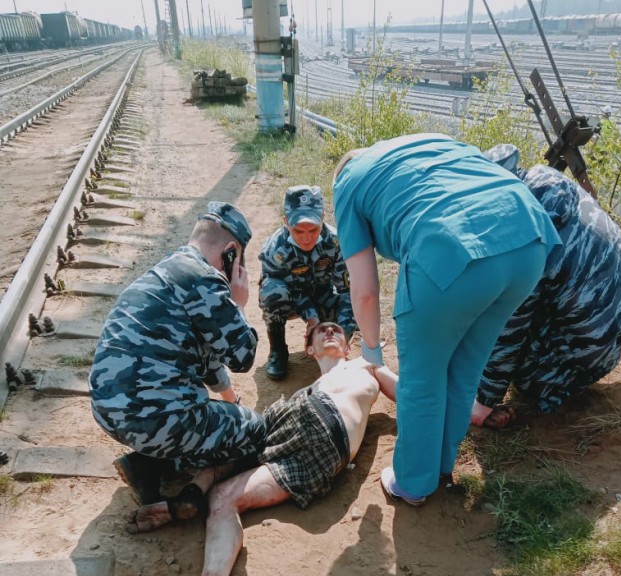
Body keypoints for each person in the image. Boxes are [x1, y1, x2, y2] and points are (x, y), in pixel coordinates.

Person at [129, 321, 398, 576]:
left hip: (327, 434)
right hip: (283, 415)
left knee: (235, 455)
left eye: (336, 330)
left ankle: (182, 494)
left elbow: (411, 397)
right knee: (225, 489)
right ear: (309, 350)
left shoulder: (365, 366)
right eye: (321, 331)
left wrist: (470, 409)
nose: (330, 331)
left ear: (346, 346)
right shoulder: (309, 385)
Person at [332, 133, 562, 506]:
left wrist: (371, 352)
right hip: (528, 238)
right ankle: (440, 467)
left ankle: (413, 483)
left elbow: (365, 291)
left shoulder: (347, 184)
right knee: (464, 367)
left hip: (452, 248)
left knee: (423, 377)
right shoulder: (427, 143)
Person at [89, 201, 267, 518]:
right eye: (238, 261)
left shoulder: (165, 272)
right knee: (256, 431)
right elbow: (243, 356)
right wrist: (239, 304)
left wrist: (229, 398)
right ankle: (154, 464)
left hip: (108, 414)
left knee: (220, 416)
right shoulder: (207, 281)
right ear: (230, 253)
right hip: (156, 421)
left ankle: (147, 461)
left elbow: (205, 355)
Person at [471, 144, 621, 426]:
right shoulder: (547, 177)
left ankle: (556, 384)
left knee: (526, 381)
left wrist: (483, 400)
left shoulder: (527, 239)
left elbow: (509, 331)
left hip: (591, 348)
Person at [258, 184, 356, 381]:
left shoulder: (337, 243)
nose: (306, 237)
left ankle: (335, 351)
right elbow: (292, 290)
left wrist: (343, 334)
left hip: (322, 294)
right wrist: (311, 318)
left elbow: (348, 292)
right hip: (291, 298)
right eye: (298, 230)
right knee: (273, 293)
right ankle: (278, 350)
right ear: (285, 222)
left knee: (352, 307)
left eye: (313, 229)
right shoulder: (274, 249)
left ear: (322, 219)